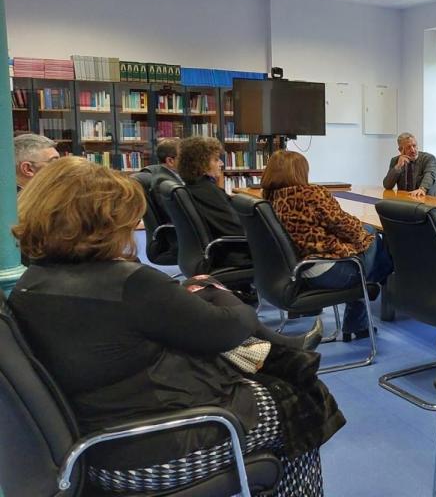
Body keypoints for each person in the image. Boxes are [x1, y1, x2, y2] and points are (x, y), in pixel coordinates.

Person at [9, 157, 340, 496]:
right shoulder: (128, 283)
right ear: (101, 223)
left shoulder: (28, 285)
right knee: (304, 401)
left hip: (97, 443)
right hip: (156, 449)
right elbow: (228, 328)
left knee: (272, 377)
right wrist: (226, 297)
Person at [263, 150, 393, 342]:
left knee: (366, 237)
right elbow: (345, 225)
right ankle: (382, 280)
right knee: (373, 237)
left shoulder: (271, 199)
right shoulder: (311, 194)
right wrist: (361, 236)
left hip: (300, 269)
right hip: (326, 272)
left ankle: (359, 322)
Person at [177, 135, 251, 267]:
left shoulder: (193, 187)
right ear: (201, 164)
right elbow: (237, 231)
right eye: (216, 160)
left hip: (213, 252)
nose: (221, 163)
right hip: (234, 255)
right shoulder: (209, 193)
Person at [383, 132, 436, 197]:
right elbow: (387, 185)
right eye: (408, 147)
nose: (413, 150)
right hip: (405, 199)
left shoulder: (428, 158)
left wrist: (422, 189)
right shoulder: (395, 161)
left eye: (414, 146)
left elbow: (430, 174)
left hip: (426, 198)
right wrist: (398, 166)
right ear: (400, 150)